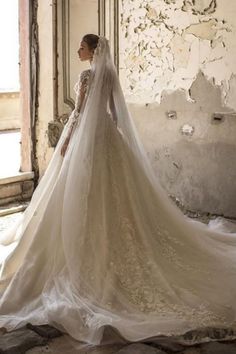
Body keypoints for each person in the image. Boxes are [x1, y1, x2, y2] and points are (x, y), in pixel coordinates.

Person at [0, 34, 236, 345]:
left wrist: (68, 141)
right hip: (108, 138)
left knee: (81, 194)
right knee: (119, 196)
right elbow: (113, 112)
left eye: (81, 48)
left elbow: (80, 112)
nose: (78, 51)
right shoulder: (110, 75)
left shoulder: (87, 76)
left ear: (92, 51)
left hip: (87, 140)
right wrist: (115, 138)